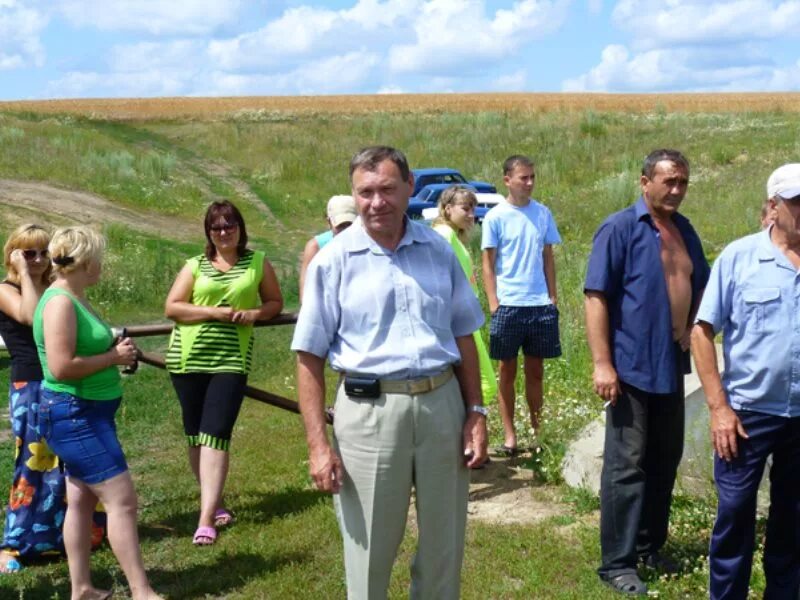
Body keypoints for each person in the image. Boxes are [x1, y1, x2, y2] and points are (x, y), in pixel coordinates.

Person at [292, 145, 488, 599]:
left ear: (410, 188)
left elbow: (464, 335)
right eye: (365, 192)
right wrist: (318, 446)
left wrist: (475, 411)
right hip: (368, 412)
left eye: (386, 190)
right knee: (369, 551)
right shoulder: (334, 261)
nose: (376, 202)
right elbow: (308, 356)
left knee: (444, 547)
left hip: (442, 405)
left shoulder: (438, 250)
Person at [584, 149, 710, 596]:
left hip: (671, 365)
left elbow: (701, 287)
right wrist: (603, 363)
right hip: (630, 367)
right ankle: (616, 563)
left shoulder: (685, 230)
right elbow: (596, 297)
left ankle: (649, 546)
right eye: (668, 181)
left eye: (682, 182)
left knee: (664, 460)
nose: (675, 189)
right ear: (644, 182)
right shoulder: (620, 228)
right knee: (626, 466)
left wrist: (691, 327)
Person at [33, 226, 162, 600]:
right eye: (99, 260)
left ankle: (82, 588)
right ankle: (142, 591)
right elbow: (60, 366)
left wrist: (112, 345)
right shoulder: (59, 302)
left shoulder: (74, 296)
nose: (102, 266)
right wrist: (114, 357)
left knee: (82, 499)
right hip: (75, 415)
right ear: (84, 262)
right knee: (122, 501)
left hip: (87, 414)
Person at [692, 163, 800, 600]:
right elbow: (702, 332)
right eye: (796, 202)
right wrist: (718, 407)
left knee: (793, 521)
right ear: (773, 207)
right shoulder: (740, 257)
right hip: (746, 416)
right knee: (735, 516)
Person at [164, 200, 283, 546]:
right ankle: (215, 503)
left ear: (241, 228)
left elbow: (275, 303)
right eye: (216, 227)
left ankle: (205, 520)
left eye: (229, 225)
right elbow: (172, 307)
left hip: (231, 359)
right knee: (195, 435)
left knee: (216, 433)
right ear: (208, 232)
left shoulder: (258, 263)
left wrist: (256, 314)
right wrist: (212, 313)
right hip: (187, 358)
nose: (224, 232)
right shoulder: (195, 265)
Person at [481, 154, 561, 455]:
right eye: (523, 178)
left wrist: (552, 298)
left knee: (536, 370)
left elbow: (547, 256)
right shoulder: (496, 216)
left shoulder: (542, 213)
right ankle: (510, 434)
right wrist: (493, 302)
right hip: (509, 304)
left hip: (539, 304)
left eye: (532, 177)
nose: (528, 183)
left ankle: (539, 432)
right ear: (507, 180)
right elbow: (488, 262)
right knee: (507, 370)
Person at [431, 185, 497, 407]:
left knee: (482, 382)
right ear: (448, 208)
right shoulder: (444, 233)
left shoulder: (453, 235)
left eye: (474, 209)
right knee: (485, 383)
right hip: (457, 319)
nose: (472, 215)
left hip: (463, 316)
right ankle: (469, 431)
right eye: (466, 209)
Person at [298, 194, 358, 301]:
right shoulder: (315, 248)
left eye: (349, 224)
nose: (346, 231)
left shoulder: (369, 243)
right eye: (341, 225)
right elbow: (306, 295)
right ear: (329, 222)